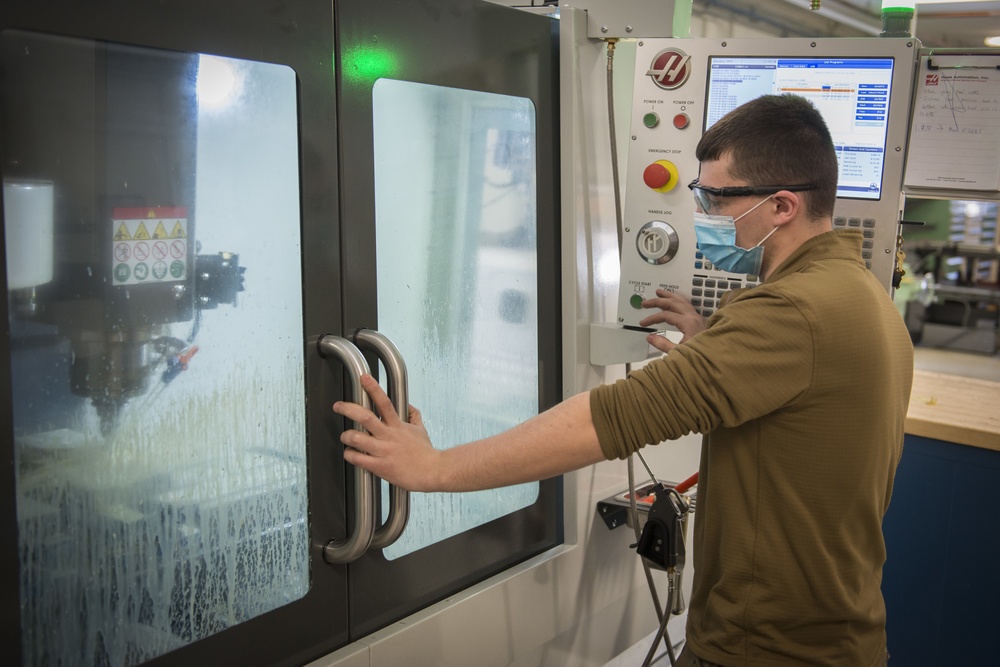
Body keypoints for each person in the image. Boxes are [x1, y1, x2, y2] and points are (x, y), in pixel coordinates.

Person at [333, 94, 914, 667]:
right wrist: (718, 338)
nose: (705, 215)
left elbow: (609, 418)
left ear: (783, 206)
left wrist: (434, 469)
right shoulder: (864, 299)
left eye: (718, 198)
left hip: (764, 651)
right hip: (841, 639)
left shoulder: (789, 316)